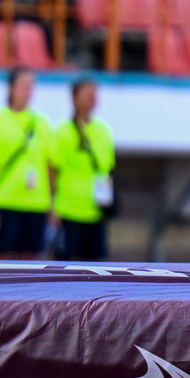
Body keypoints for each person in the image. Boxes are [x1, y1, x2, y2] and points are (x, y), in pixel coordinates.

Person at [0, 67, 52, 260]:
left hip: (37, 203)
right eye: (23, 85)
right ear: (11, 87)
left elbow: (49, 166)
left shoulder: (41, 122)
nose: (28, 90)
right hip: (5, 202)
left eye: (31, 85)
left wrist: (52, 203)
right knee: (3, 261)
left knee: (31, 263)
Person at [53, 77, 116, 261]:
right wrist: (52, 206)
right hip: (68, 210)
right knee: (66, 266)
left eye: (94, 94)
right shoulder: (63, 131)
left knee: (95, 266)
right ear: (74, 98)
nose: (92, 98)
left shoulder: (104, 131)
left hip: (96, 210)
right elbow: (52, 170)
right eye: (87, 94)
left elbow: (107, 169)